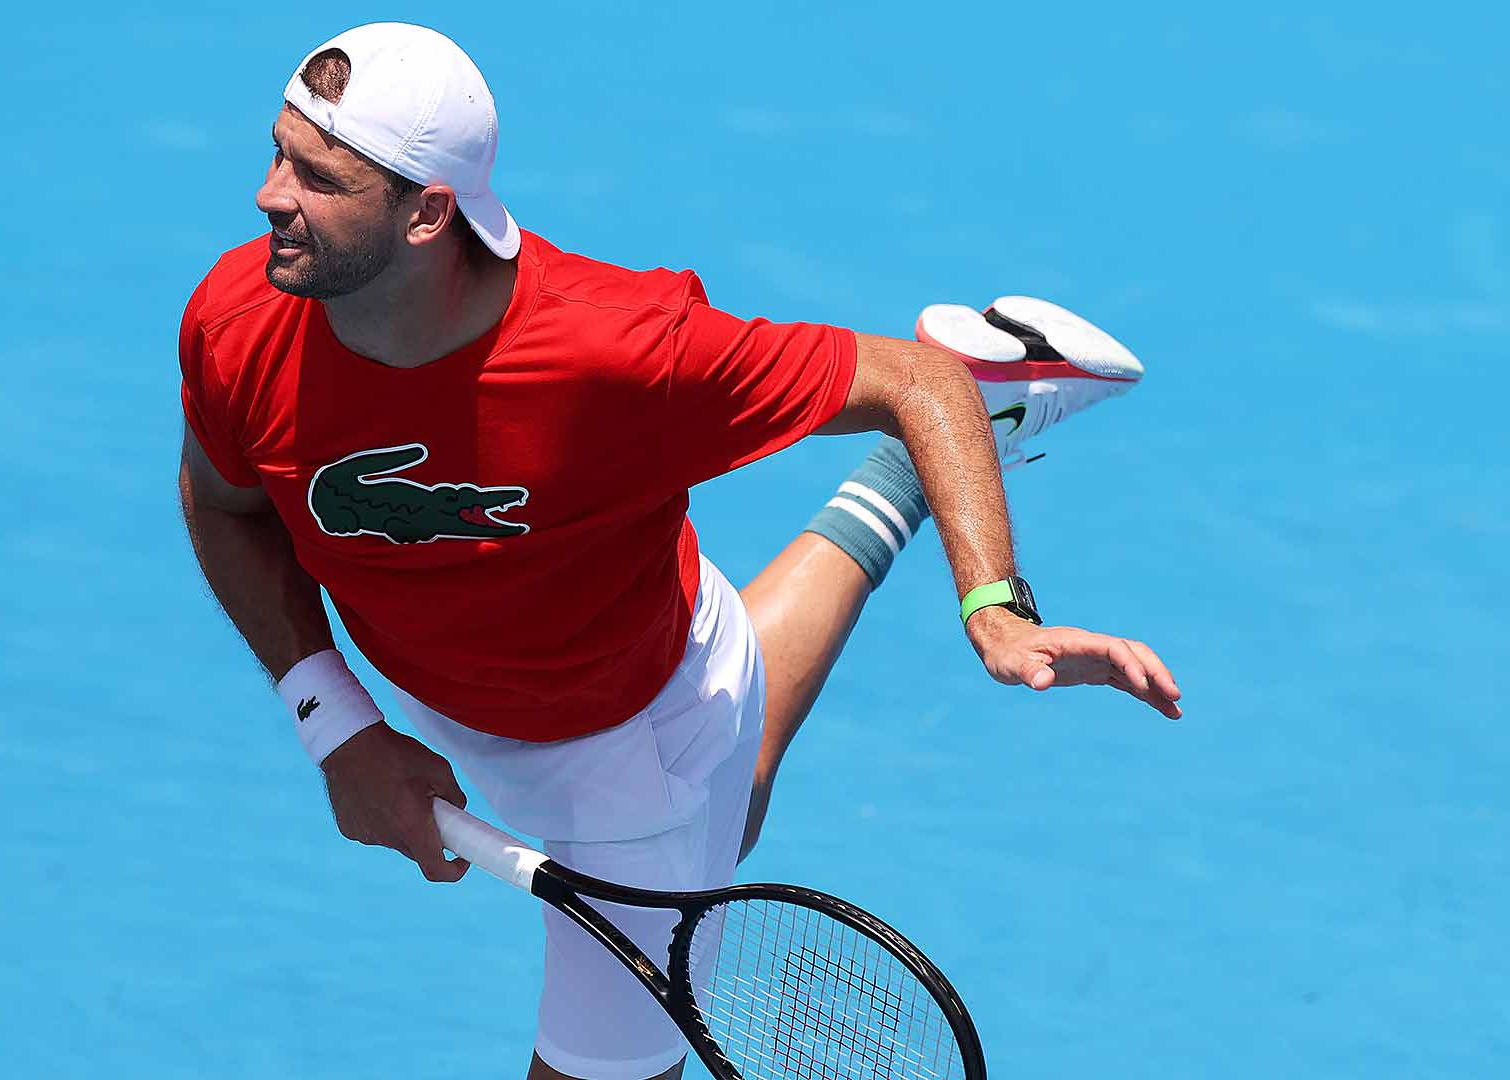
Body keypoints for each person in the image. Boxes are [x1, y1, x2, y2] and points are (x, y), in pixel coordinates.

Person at [176, 22, 1183, 1080]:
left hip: (629, 735)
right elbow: (228, 506)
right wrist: (336, 722)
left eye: (318, 176)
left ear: (429, 210)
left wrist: (996, 608)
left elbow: (913, 382)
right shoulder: (237, 321)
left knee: (692, 814)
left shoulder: (619, 350)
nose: (269, 195)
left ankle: (967, 421)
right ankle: (908, 473)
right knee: (727, 801)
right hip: (465, 666)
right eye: (278, 153)